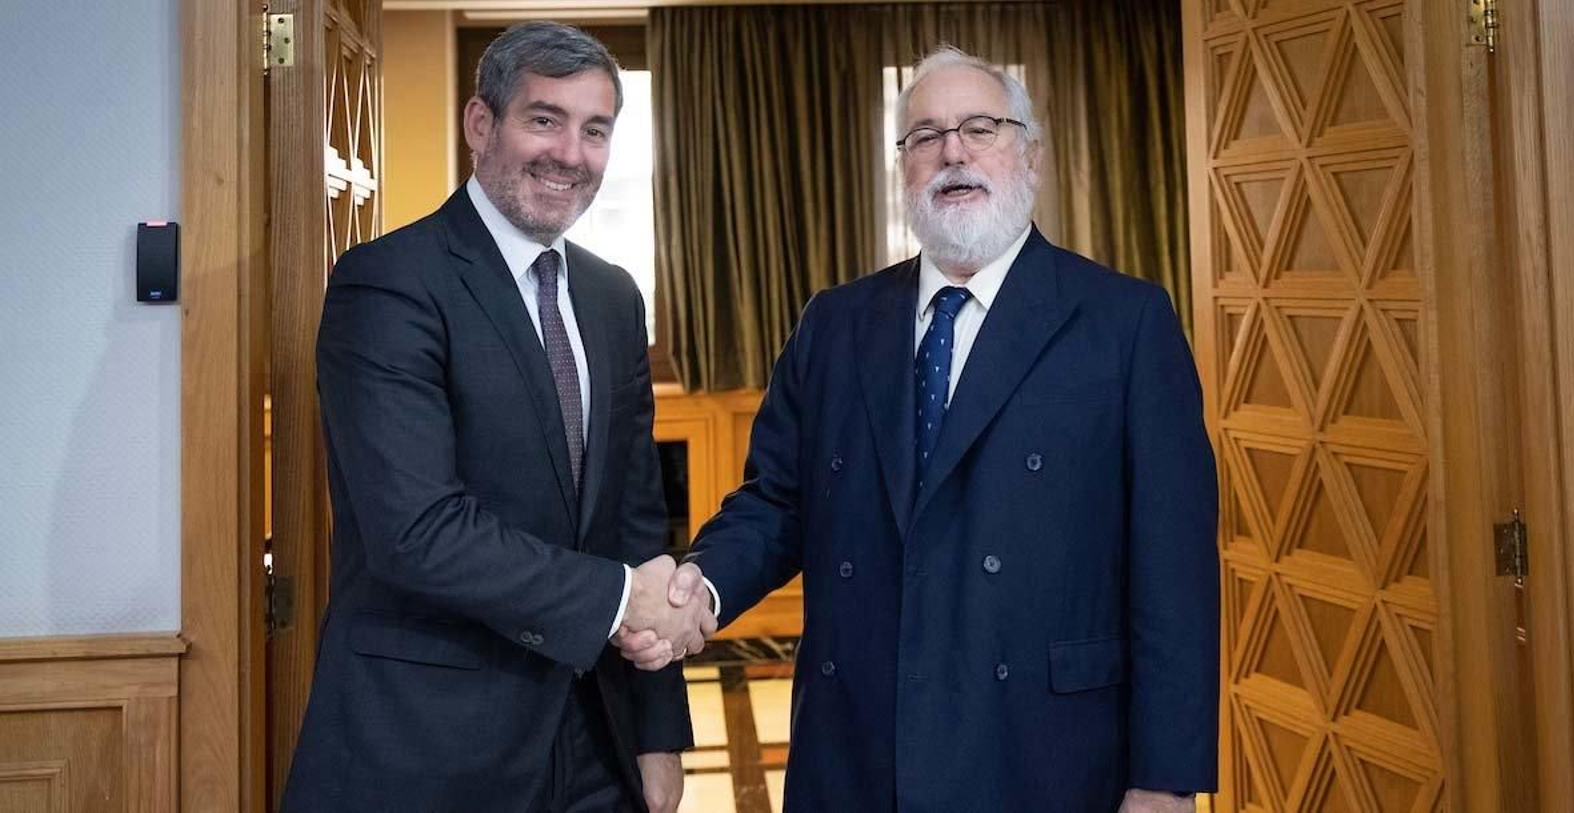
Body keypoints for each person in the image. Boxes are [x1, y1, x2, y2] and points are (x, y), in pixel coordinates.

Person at [619, 46, 1219, 813]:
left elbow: (1173, 572)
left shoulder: (1125, 322)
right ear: (903, 166)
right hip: (857, 750)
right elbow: (777, 501)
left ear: (1031, 156)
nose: (952, 152)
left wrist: (1165, 780)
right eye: (926, 135)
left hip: (1045, 753)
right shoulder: (836, 322)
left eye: (980, 128)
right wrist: (700, 587)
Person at [281, 21, 713, 813]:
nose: (570, 154)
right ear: (481, 123)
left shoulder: (613, 297)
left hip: (596, 742)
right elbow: (418, 530)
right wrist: (620, 599)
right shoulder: (387, 284)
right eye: (544, 119)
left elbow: (634, 524)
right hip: (428, 747)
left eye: (595, 130)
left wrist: (656, 732)